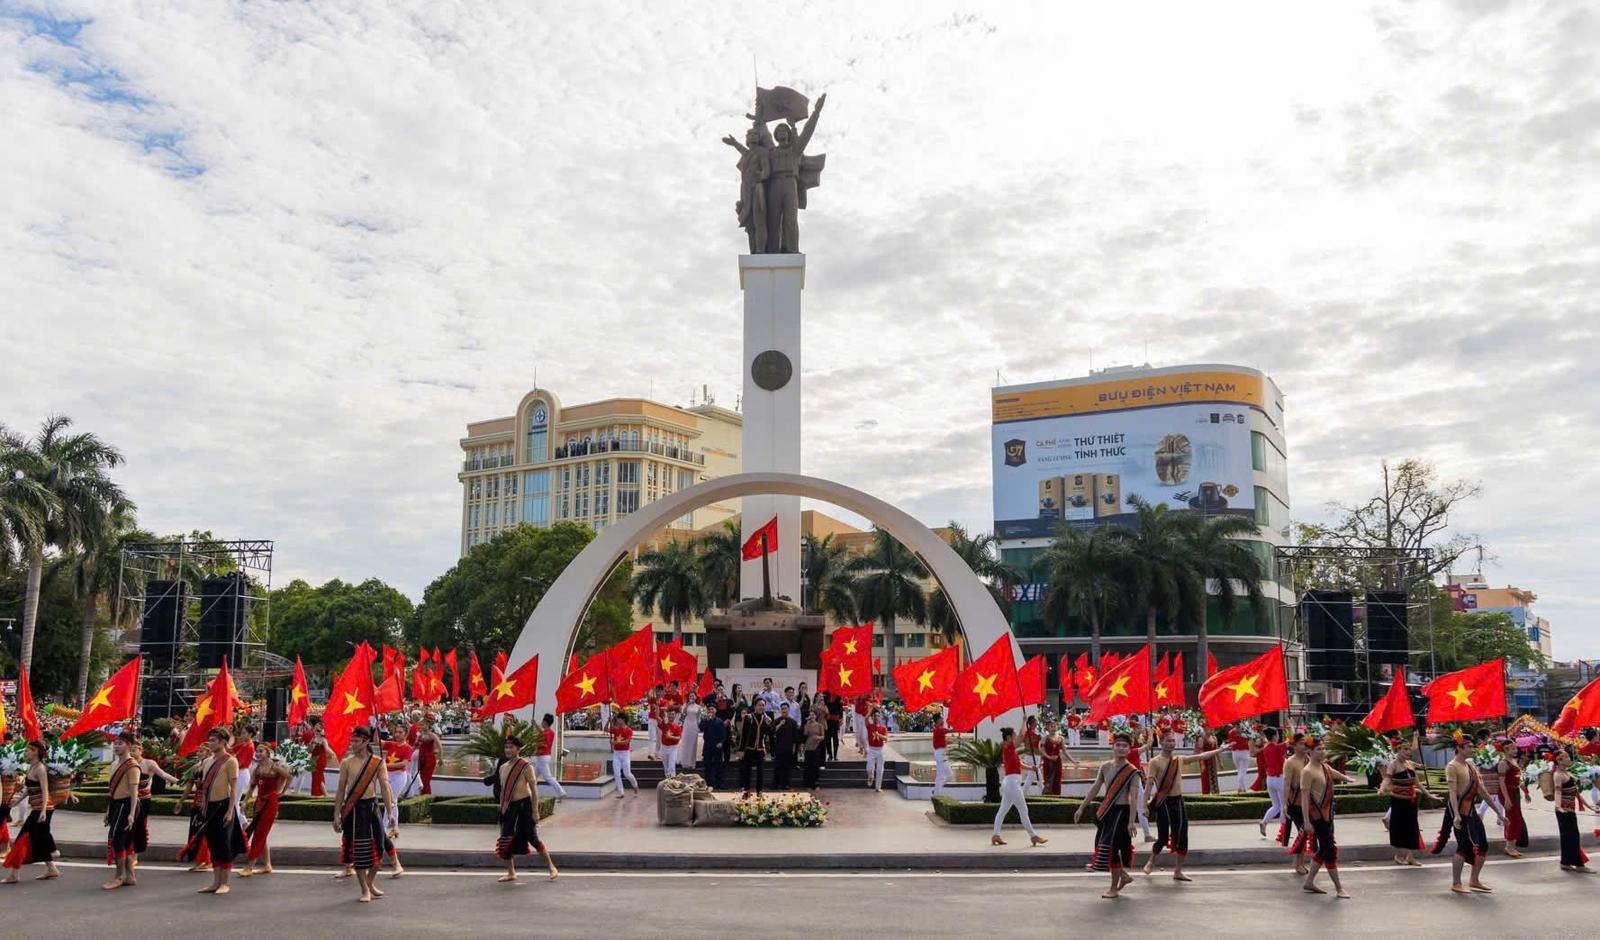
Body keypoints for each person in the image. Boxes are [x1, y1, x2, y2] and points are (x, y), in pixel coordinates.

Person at [1143, 730, 1225, 881]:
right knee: (1162, 837)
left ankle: (1178, 871)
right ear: (1161, 743)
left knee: (1183, 835)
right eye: (1168, 741)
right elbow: (1148, 784)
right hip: (1163, 802)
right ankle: (1151, 860)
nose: (1171, 743)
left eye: (1173, 741)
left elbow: (1200, 756)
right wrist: (1144, 805)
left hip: (1178, 801)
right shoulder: (1154, 762)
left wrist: (1220, 750)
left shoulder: (1179, 759)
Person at [334, 725, 398, 904]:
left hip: (372, 808)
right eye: (352, 741)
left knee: (379, 849)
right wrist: (336, 814)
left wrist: (390, 812)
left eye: (356, 741)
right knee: (360, 852)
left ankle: (370, 882)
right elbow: (340, 790)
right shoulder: (347, 763)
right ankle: (364, 889)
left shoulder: (377, 762)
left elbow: (385, 787)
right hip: (354, 810)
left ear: (365, 741)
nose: (353, 744)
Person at [1077, 732, 1140, 898]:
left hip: (1122, 813)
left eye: (1124, 746)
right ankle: (1123, 876)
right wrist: (1082, 807)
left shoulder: (1133, 772)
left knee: (1113, 849)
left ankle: (1114, 888)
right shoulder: (1105, 766)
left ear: (1129, 749)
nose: (1121, 748)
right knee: (1103, 846)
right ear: (1113, 747)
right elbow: (1095, 787)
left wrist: (1132, 821)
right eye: (1118, 745)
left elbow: (1133, 798)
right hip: (1107, 812)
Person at [494, 734, 558, 883]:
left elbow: (534, 790)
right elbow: (503, 791)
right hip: (509, 807)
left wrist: (535, 811)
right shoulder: (503, 767)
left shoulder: (525, 766)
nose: (508, 750)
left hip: (524, 806)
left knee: (533, 838)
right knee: (505, 840)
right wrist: (502, 809)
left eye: (511, 747)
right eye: (506, 747)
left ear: (518, 749)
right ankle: (511, 873)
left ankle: (551, 867)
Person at [1445, 732, 1503, 895]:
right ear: (1459, 748)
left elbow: (1482, 791)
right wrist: (1456, 814)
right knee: (1463, 847)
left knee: (1483, 845)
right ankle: (1456, 882)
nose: (1472, 749)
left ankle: (1474, 880)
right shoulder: (1452, 766)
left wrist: (1498, 812)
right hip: (1459, 811)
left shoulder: (1471, 766)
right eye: (1469, 746)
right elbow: (1452, 792)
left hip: (1471, 810)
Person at [193, 726, 244, 895]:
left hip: (223, 806)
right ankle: (215, 882)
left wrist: (230, 810)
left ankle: (225, 882)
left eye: (214, 740)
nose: (210, 743)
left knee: (224, 845)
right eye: (210, 740)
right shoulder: (207, 761)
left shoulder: (230, 761)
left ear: (223, 742)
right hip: (209, 807)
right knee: (213, 844)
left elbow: (234, 788)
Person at [1, 739, 61, 883]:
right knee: (36, 839)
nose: (25, 752)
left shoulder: (40, 768)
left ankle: (15, 874)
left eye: (28, 750)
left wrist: (43, 811)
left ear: (35, 752)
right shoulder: (31, 767)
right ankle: (51, 868)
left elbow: (45, 790)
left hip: (43, 808)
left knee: (22, 838)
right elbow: (29, 789)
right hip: (37, 808)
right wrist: (17, 801)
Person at [1299, 736, 1351, 899]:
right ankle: (1339, 887)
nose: (1323, 751)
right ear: (1309, 751)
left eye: (1323, 748)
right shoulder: (1307, 771)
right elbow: (1304, 798)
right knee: (1329, 850)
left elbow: (1331, 772)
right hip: (1317, 817)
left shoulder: (1323, 766)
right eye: (1318, 749)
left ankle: (1309, 882)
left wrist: (1347, 778)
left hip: (1328, 814)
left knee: (1323, 849)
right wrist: (1306, 821)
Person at [239, 743, 289, 877]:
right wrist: (244, 802)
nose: (258, 753)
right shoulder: (257, 769)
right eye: (257, 751)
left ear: (268, 753)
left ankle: (250, 866)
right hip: (259, 802)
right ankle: (267, 865)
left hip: (270, 803)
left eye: (261, 751)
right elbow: (251, 787)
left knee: (259, 834)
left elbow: (289, 776)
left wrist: (282, 792)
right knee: (262, 834)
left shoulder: (275, 767)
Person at [992, 727, 1047, 848]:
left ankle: (996, 835)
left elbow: (1019, 764)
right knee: (1023, 810)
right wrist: (1024, 721)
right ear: (1009, 737)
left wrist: (1031, 768)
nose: (1016, 736)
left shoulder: (1011, 750)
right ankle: (1033, 836)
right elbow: (1022, 736)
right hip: (1012, 784)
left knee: (1003, 810)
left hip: (1011, 783)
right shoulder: (1008, 746)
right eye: (1014, 735)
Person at [1382, 735, 1431, 867]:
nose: (1409, 752)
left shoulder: (1409, 764)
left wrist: (1429, 794)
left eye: (1409, 749)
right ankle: (1398, 855)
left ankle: (1410, 857)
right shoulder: (1393, 765)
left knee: (1412, 828)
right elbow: (1387, 779)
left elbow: (1417, 783)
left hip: (1411, 801)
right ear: (1398, 750)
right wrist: (1381, 788)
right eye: (1405, 749)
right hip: (1398, 801)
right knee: (1398, 828)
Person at [102, 731, 142, 890]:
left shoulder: (132, 766)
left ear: (129, 745)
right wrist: (108, 809)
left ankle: (118, 877)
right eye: (115, 743)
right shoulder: (114, 764)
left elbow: (134, 792)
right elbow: (112, 791)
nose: (116, 746)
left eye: (120, 743)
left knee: (117, 840)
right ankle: (130, 876)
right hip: (116, 804)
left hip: (127, 805)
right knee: (124, 842)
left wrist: (131, 813)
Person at [132, 739, 178, 867]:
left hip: (143, 799)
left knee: (139, 826)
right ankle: (126, 852)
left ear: (141, 750)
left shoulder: (149, 763)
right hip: (128, 798)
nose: (131, 752)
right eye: (130, 750)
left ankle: (135, 854)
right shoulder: (127, 763)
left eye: (134, 750)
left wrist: (180, 782)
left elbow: (163, 774)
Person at [1549, 749, 1592, 872]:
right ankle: (1578, 865)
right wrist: (1558, 806)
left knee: (1570, 836)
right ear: (1559, 760)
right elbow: (1558, 792)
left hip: (1569, 809)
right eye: (1567, 757)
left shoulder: (1566, 772)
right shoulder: (1558, 775)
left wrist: (1588, 806)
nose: (1569, 759)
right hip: (1564, 810)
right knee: (1571, 837)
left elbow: (1575, 792)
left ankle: (1566, 862)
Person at [177, 741, 214, 872]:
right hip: (196, 802)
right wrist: (181, 801)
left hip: (207, 801)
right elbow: (189, 786)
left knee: (204, 832)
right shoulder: (195, 768)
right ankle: (199, 859)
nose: (198, 753)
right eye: (198, 751)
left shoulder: (211, 767)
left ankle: (206, 859)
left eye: (201, 751)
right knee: (195, 831)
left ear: (209, 753)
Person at [1279, 732, 1310, 875]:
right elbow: (1286, 784)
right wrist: (1285, 804)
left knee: (1305, 832)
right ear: (1294, 745)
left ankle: (1299, 861)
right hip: (1295, 803)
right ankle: (1297, 862)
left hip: (1308, 802)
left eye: (1305, 743)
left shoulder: (1309, 759)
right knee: (1303, 832)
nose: (1304, 745)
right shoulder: (1290, 762)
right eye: (1301, 743)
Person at [735, 699, 773, 796]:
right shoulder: (749, 717)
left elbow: (769, 733)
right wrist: (741, 750)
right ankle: (746, 791)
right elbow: (744, 734)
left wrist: (769, 724)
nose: (761, 707)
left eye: (763, 705)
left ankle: (759, 791)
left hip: (760, 749)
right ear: (755, 706)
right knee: (747, 771)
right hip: (749, 748)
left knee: (760, 771)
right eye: (759, 705)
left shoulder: (765, 718)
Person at [1256, 727, 1287, 838]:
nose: (1278, 737)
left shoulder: (1266, 747)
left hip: (1270, 779)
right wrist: (1292, 727)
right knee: (1283, 806)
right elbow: (1292, 740)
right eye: (1277, 734)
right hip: (1279, 779)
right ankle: (1283, 832)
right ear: (1274, 736)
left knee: (1275, 806)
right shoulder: (1278, 748)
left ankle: (1264, 822)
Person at [1499, 742, 1528, 855]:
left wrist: (1525, 792)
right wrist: (1506, 798)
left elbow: (1518, 779)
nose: (1516, 751)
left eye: (1516, 748)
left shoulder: (1514, 761)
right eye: (1513, 749)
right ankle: (1509, 846)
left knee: (1516, 819)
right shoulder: (1503, 763)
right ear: (1505, 750)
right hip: (1507, 792)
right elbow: (1501, 782)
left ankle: (1512, 845)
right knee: (1513, 819)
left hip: (1515, 792)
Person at [534, 714, 568, 800]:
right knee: (533, 778)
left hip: (542, 757)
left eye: (542, 721)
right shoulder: (550, 732)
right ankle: (529, 793)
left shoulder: (545, 733)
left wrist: (535, 725)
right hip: (543, 757)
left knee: (548, 778)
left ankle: (562, 792)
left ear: (545, 722)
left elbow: (541, 735)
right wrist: (535, 725)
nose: (541, 723)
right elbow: (541, 732)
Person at [609, 713, 640, 799]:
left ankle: (635, 785)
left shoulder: (628, 730)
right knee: (617, 774)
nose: (617, 720)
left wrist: (615, 742)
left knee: (627, 774)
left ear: (623, 720)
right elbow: (605, 730)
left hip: (625, 754)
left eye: (618, 719)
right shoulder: (615, 729)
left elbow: (626, 742)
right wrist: (609, 722)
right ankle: (621, 792)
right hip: (616, 753)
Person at [771, 702, 801, 790]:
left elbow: (795, 737)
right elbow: (772, 731)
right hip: (779, 748)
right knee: (778, 766)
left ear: (788, 710)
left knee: (787, 767)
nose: (784, 710)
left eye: (785, 708)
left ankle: (786, 784)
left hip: (789, 748)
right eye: (782, 709)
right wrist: (780, 724)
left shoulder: (793, 722)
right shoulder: (777, 721)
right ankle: (776, 784)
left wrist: (794, 748)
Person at [382, 723, 414, 801]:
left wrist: (386, 765)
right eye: (396, 732)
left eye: (400, 732)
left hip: (399, 775)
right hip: (388, 774)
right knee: (391, 800)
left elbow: (403, 764)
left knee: (391, 799)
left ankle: (389, 810)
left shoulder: (408, 748)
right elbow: (377, 742)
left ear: (406, 734)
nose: (397, 734)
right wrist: (376, 728)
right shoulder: (391, 744)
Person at [699, 703, 728, 788]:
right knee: (707, 765)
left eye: (712, 709)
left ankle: (719, 783)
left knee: (718, 765)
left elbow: (723, 733)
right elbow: (701, 728)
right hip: (708, 745)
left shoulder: (720, 721)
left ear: (716, 710)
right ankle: (708, 783)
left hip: (717, 746)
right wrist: (707, 720)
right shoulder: (705, 720)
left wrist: (721, 742)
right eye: (709, 709)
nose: (711, 711)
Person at [864, 708, 890, 792]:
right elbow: (866, 718)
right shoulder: (869, 726)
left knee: (879, 769)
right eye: (875, 716)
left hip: (880, 750)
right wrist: (871, 708)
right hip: (871, 750)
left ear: (880, 717)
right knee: (869, 768)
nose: (876, 717)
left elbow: (886, 739)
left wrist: (879, 735)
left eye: (878, 716)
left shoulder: (883, 727)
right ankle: (871, 776)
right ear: (872, 717)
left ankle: (878, 787)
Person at [802, 705, 827, 790]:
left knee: (815, 765)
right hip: (808, 746)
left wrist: (817, 738)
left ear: (816, 716)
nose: (812, 716)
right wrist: (807, 724)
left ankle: (816, 783)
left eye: (813, 715)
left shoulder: (820, 725)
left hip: (816, 746)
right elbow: (805, 734)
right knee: (808, 765)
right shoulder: (807, 725)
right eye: (810, 715)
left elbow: (823, 737)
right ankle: (808, 783)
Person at [415, 719, 442, 796]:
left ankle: (426, 796)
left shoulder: (432, 735)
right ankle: (423, 795)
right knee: (421, 778)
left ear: (428, 725)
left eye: (423, 725)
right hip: (421, 758)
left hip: (429, 759)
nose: (421, 726)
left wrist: (440, 758)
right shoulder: (420, 736)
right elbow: (415, 746)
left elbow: (440, 747)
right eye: (420, 725)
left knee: (426, 779)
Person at [931, 712, 954, 797]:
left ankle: (935, 790)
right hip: (941, 755)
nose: (943, 720)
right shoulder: (939, 729)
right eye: (941, 718)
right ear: (938, 720)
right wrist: (960, 727)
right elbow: (950, 730)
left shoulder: (938, 730)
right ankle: (937, 794)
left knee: (948, 776)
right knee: (942, 776)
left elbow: (943, 742)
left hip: (941, 754)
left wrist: (954, 741)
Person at [308, 718, 333, 797]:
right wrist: (313, 743)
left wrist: (332, 754)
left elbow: (327, 749)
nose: (316, 731)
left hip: (319, 760)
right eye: (316, 729)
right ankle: (322, 795)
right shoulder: (314, 739)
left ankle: (326, 795)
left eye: (318, 730)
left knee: (318, 778)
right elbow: (309, 750)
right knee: (318, 777)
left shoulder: (323, 739)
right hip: (314, 760)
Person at [677, 695, 701, 774]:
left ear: (695, 697)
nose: (692, 697)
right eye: (690, 696)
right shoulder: (685, 704)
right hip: (687, 725)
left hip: (694, 725)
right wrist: (687, 704)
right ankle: (685, 762)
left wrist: (698, 727)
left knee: (693, 744)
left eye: (693, 696)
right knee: (685, 743)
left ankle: (692, 763)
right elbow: (683, 713)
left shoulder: (698, 707)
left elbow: (698, 718)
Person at [1226, 724, 1251, 793]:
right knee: (1242, 771)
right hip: (1244, 752)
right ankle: (1240, 787)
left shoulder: (1231, 732)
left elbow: (1231, 743)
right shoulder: (1245, 730)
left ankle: (1243, 788)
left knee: (1240, 771)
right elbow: (1249, 738)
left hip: (1235, 753)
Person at [660, 709, 684, 778]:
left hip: (673, 748)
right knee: (666, 766)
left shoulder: (677, 727)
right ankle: (668, 780)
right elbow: (657, 717)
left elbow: (678, 738)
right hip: (664, 747)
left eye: (673, 714)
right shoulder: (664, 725)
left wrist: (670, 737)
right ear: (667, 715)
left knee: (671, 765)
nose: (671, 716)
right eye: (669, 714)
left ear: (675, 716)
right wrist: (658, 707)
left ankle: (672, 780)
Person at [825, 691, 843, 761]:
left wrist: (841, 718)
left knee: (835, 738)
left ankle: (835, 755)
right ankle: (830, 755)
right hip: (827, 720)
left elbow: (840, 708)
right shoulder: (826, 694)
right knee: (828, 738)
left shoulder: (838, 696)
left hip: (835, 720)